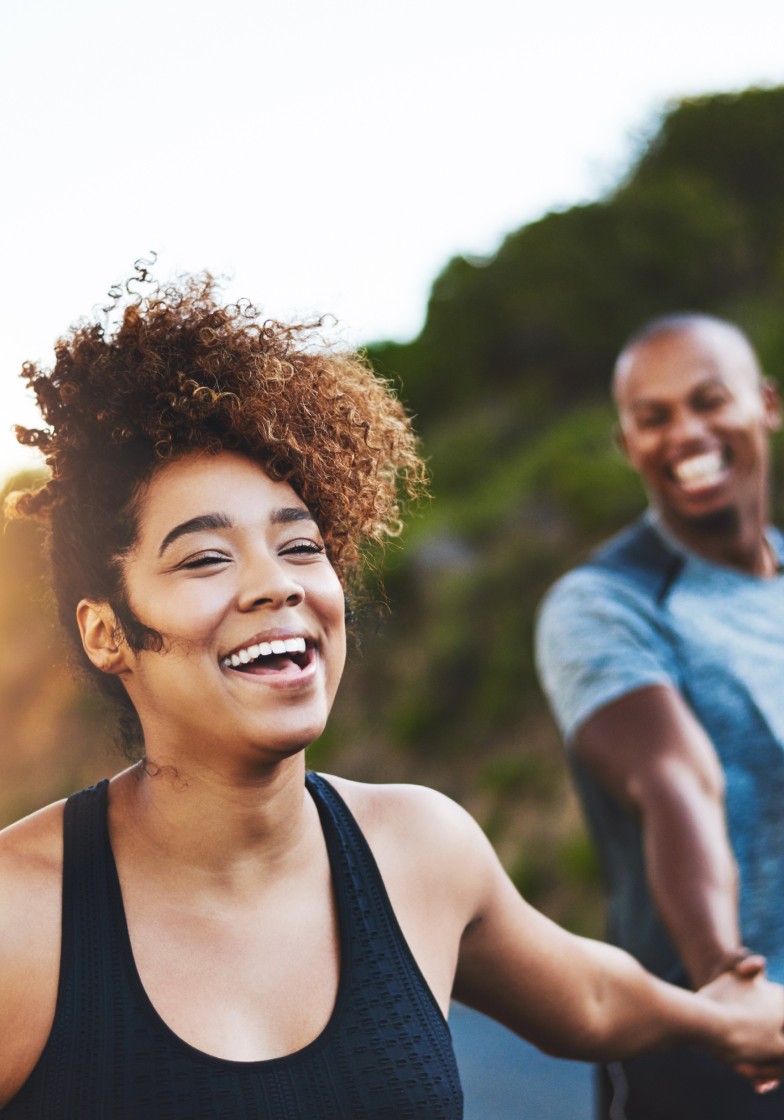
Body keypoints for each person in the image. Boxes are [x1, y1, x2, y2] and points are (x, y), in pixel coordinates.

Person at [1, 281, 783, 1120]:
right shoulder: (20, 917)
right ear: (106, 632)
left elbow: (589, 996)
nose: (276, 584)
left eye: (300, 545)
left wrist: (722, 1022)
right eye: (205, 559)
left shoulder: (420, 848)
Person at [536, 312, 784, 1119]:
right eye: (654, 417)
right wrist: (725, 979)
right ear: (628, 443)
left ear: (766, 404)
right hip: (704, 1043)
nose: (685, 432)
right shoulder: (602, 604)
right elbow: (674, 781)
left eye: (708, 401)